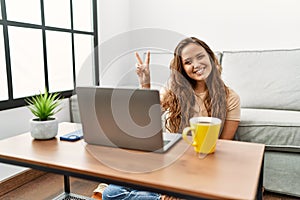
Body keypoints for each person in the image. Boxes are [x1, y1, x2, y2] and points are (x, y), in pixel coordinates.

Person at [100, 37, 240, 200]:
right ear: (182, 68)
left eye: (200, 57)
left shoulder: (231, 98)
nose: (196, 65)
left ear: (210, 57)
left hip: (200, 170)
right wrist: (145, 83)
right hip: (169, 163)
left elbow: (224, 146)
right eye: (188, 62)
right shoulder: (173, 90)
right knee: (110, 193)